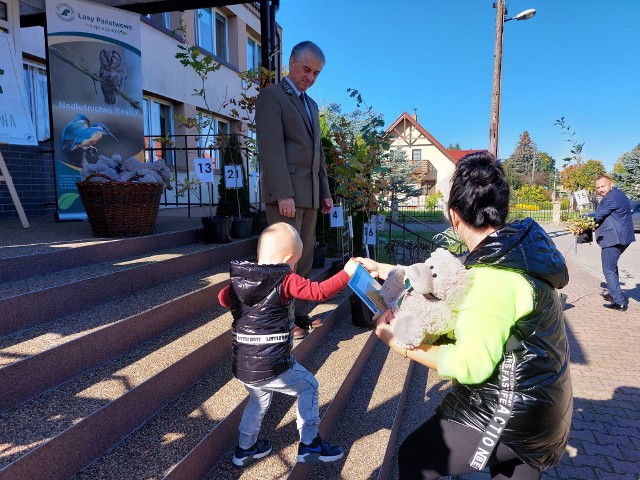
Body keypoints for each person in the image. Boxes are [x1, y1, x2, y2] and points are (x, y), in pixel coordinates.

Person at [357, 152, 573, 480]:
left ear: (455, 216)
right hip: (547, 410)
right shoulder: (513, 254)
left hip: (509, 415)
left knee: (416, 458)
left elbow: (470, 366)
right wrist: (386, 269)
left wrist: (397, 343)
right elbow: (448, 275)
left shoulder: (493, 279)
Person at [217, 222, 357, 468]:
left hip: (244, 365)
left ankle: (245, 448)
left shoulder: (239, 280)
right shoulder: (285, 278)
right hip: (271, 363)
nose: (294, 268)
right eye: (295, 263)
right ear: (289, 259)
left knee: (258, 400)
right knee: (308, 387)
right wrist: (347, 273)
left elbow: (223, 299)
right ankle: (310, 444)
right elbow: (319, 292)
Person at [256, 40, 333, 340]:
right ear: (291, 63)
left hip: (311, 195)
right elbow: (271, 149)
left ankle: (299, 314)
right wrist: (283, 193)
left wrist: (324, 191)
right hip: (286, 195)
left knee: (304, 258)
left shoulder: (311, 105)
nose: (311, 78)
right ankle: (278, 320)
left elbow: (318, 154)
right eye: (306, 69)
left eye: (316, 73)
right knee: (281, 261)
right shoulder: (272, 97)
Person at [590, 175, 635, 311]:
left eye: (603, 186)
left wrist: (582, 222)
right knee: (612, 267)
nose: (601, 190)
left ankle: (619, 301)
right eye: (598, 188)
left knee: (608, 269)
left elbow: (598, 216)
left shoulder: (610, 198)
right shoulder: (620, 194)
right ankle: (614, 294)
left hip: (613, 238)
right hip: (622, 237)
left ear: (611, 184)